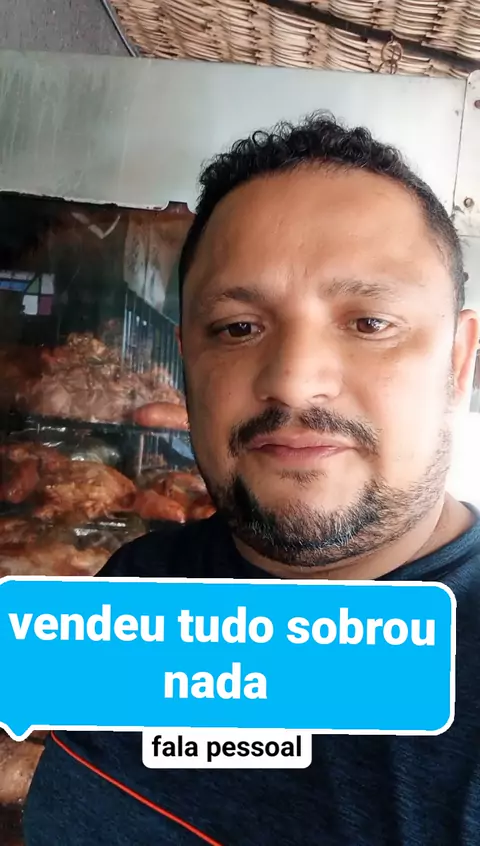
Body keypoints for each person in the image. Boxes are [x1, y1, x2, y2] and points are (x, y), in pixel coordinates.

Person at [24, 114, 480, 845]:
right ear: (186, 362)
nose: (294, 380)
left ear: (458, 361)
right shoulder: (142, 583)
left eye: (369, 323)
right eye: (237, 327)